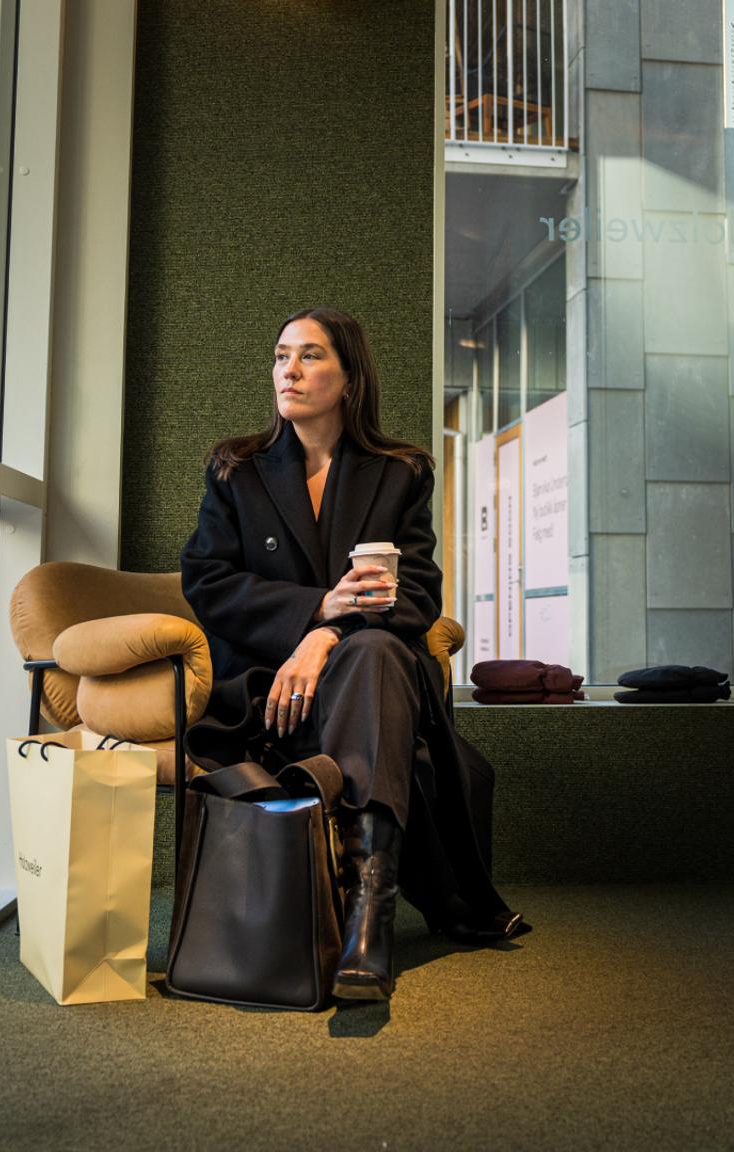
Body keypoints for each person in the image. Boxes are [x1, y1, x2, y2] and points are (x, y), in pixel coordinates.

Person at [181, 307, 525, 1002]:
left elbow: (418, 595)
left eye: (310, 356)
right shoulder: (236, 469)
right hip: (266, 693)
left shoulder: (400, 473)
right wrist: (313, 613)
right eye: (281, 356)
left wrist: (327, 635)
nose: (290, 370)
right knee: (371, 651)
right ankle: (369, 914)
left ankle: (369, 913)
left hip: (367, 683)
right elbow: (206, 582)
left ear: (349, 379)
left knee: (373, 651)